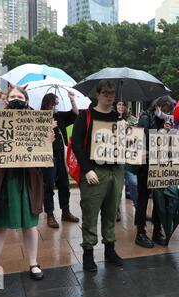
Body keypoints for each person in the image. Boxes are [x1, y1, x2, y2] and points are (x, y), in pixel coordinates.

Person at [0, 87, 50, 290]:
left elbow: (44, 155)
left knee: (30, 224)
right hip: (3, 180)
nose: (16, 99)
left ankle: (33, 262)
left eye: (20, 96)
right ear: (6, 100)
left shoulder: (37, 122)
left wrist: (48, 141)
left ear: (26, 101)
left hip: (27, 180)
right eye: (13, 97)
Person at [72, 80, 124, 272]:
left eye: (112, 94)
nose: (110, 97)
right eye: (106, 94)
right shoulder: (85, 116)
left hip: (115, 170)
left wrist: (125, 130)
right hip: (94, 171)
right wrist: (88, 170)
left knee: (111, 212)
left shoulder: (118, 118)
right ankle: (88, 253)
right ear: (98, 94)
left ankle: (110, 249)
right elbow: (77, 145)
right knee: (91, 213)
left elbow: (126, 147)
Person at [134, 96, 174, 248]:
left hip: (160, 163)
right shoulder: (145, 117)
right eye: (165, 109)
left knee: (159, 199)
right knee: (143, 198)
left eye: (169, 110)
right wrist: (164, 131)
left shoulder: (166, 120)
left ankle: (157, 230)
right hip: (145, 164)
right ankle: (140, 232)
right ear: (158, 106)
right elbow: (144, 138)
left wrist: (168, 130)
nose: (167, 112)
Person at [41, 92, 80, 228]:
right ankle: (50, 214)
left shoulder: (60, 116)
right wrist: (47, 127)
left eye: (57, 103)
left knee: (64, 184)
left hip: (61, 155)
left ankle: (66, 211)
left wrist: (72, 99)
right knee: (49, 185)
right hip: (47, 156)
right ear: (47, 103)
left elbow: (75, 114)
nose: (55, 106)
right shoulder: (39, 117)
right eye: (54, 103)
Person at [114, 101, 138, 222]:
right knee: (117, 185)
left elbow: (138, 133)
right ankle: (116, 209)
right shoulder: (110, 117)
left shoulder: (132, 119)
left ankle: (139, 209)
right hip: (115, 156)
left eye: (123, 105)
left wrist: (128, 126)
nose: (121, 107)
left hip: (129, 156)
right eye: (118, 104)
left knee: (133, 182)